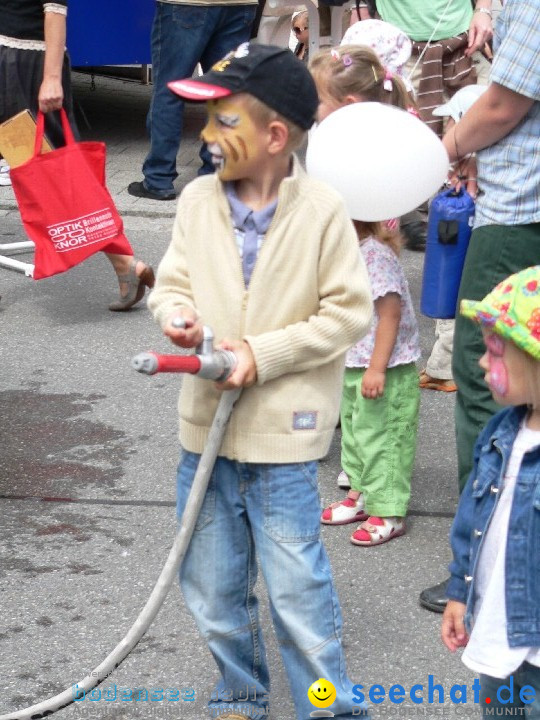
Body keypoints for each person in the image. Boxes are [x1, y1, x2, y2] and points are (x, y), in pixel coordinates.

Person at [148, 43, 373, 720]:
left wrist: (262, 353)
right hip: (205, 438)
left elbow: (347, 312)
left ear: (276, 136)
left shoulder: (324, 209)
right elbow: (175, 280)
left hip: (285, 443)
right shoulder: (195, 200)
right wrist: (178, 315)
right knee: (214, 592)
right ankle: (242, 696)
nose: (207, 136)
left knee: (299, 600)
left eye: (223, 122)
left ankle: (326, 707)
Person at [420, 0, 540, 613]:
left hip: (520, 216)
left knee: (489, 377)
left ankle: (486, 560)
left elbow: (505, 103)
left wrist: (444, 147)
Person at [0, 0, 154, 311]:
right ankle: (125, 264)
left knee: (53, 177)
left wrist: (52, 78)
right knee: (55, 177)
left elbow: (55, 8)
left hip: (25, 64)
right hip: (16, 60)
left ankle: (125, 263)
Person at [441, 265, 540, 718]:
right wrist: (461, 595)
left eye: (496, 352)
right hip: (496, 631)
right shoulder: (501, 432)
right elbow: (471, 522)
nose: (481, 362)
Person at [127, 0, 257, 202]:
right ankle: (215, 176)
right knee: (225, 94)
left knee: (169, 89)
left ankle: (158, 179)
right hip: (240, 5)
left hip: (187, 5)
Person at [419, 84, 487, 394]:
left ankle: (442, 370)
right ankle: (444, 366)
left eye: (450, 122)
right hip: (464, 247)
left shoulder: (467, 166)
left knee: (449, 311)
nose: (445, 128)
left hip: (455, 253)